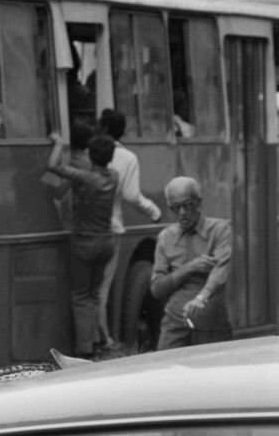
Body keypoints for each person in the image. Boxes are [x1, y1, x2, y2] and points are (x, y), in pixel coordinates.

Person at [46, 127, 119, 358]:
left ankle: (84, 349)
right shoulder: (114, 176)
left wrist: (58, 143)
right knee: (94, 294)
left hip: (84, 243)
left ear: (89, 154)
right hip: (106, 242)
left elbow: (54, 167)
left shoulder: (86, 177)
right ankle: (97, 340)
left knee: (80, 296)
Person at [96, 109, 162, 349]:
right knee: (102, 287)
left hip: (85, 230)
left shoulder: (89, 153)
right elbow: (131, 195)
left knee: (87, 290)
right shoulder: (127, 157)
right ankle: (105, 338)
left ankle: (96, 336)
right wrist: (154, 211)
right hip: (112, 229)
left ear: (102, 128)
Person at [150, 177, 232, 349]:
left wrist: (201, 298)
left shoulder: (220, 230)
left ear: (198, 202)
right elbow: (157, 289)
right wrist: (189, 268)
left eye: (187, 205)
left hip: (210, 323)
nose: (182, 213)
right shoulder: (166, 237)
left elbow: (221, 271)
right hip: (175, 323)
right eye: (175, 208)